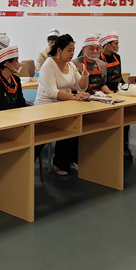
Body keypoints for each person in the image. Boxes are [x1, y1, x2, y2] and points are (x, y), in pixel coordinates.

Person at [35, 34, 90, 175]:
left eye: (73, 50)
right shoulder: (48, 65)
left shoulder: (70, 65)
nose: (72, 53)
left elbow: (81, 86)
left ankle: (69, 158)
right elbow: (52, 92)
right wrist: (74, 96)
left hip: (64, 105)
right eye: (69, 50)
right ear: (59, 50)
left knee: (79, 122)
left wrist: (85, 74)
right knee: (69, 123)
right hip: (46, 107)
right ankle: (59, 162)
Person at [0, 46, 30, 197]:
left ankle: (16, 169)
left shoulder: (16, 80)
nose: (18, 64)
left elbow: (21, 102)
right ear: (7, 64)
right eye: (16, 61)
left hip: (16, 121)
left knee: (36, 139)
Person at [99, 32, 132, 160]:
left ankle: (123, 145)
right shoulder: (99, 59)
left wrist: (126, 87)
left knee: (126, 117)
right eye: (116, 44)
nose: (118, 46)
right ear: (107, 45)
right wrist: (119, 87)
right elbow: (102, 82)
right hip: (105, 93)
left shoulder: (117, 57)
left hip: (118, 91)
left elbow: (119, 77)